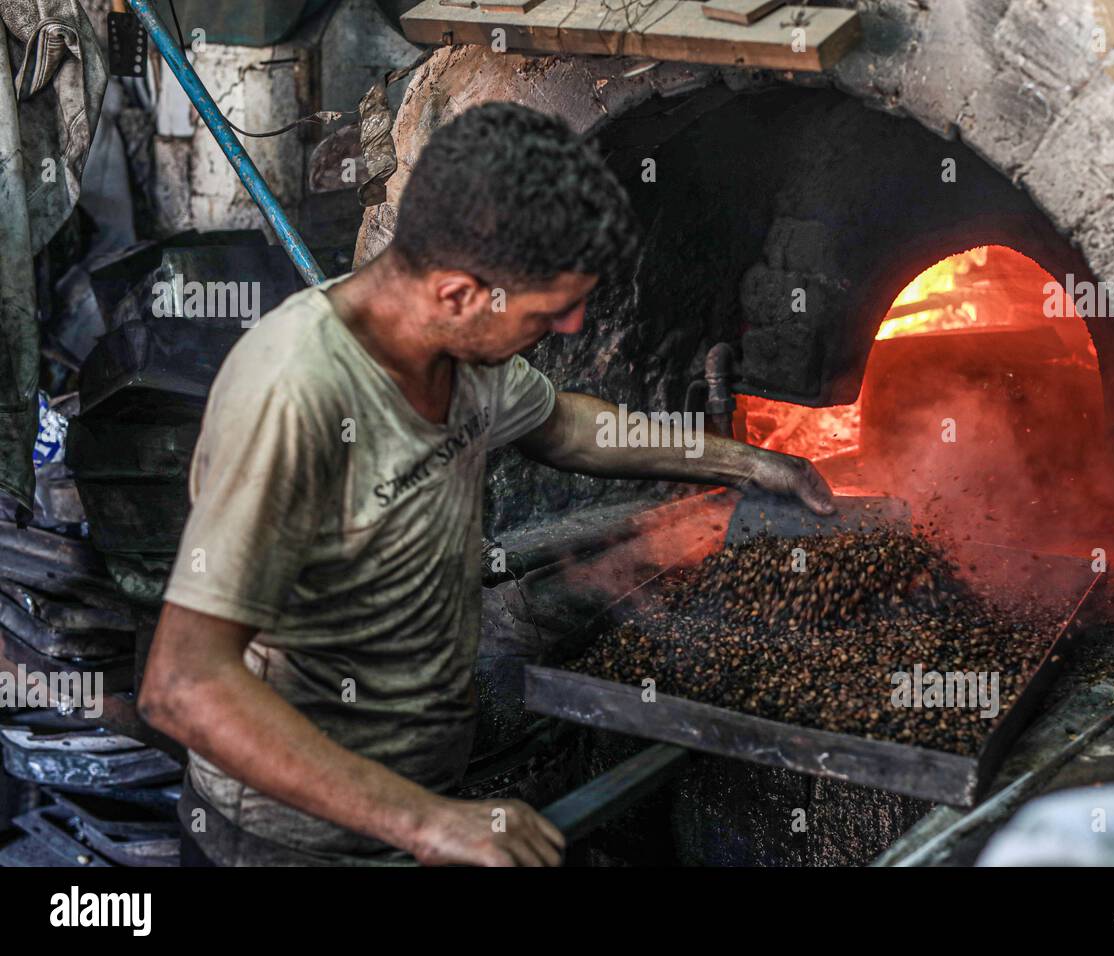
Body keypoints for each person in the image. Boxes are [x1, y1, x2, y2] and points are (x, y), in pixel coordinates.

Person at [138, 102, 834, 867]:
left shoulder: (463, 353)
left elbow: (568, 427)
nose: (572, 327)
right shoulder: (294, 397)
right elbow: (182, 684)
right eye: (551, 310)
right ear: (460, 292)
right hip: (287, 840)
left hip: (414, 801)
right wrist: (430, 822)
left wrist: (750, 463)